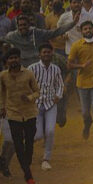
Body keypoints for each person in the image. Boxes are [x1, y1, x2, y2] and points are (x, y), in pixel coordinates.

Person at [0, 47, 40, 184]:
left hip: (30, 113)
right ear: (7, 62)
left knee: (29, 145)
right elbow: (2, 93)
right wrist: (2, 107)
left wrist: (29, 98)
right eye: (11, 58)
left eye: (16, 57)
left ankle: (25, 165)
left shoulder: (28, 74)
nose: (14, 60)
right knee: (18, 145)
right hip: (13, 114)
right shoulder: (3, 76)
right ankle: (29, 177)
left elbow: (37, 92)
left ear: (19, 59)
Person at [68, 20, 93, 147]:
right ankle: (87, 123)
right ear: (81, 31)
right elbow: (69, 65)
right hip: (82, 83)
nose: (88, 31)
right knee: (85, 112)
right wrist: (81, 65)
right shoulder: (76, 46)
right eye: (85, 29)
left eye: (90, 28)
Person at [28, 43, 63, 171]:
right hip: (35, 105)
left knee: (50, 131)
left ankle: (46, 159)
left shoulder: (56, 69)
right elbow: (26, 85)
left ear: (52, 53)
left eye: (48, 52)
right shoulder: (32, 68)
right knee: (37, 135)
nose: (46, 54)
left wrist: (58, 95)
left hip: (50, 104)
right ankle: (28, 146)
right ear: (40, 54)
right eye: (44, 52)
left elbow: (60, 84)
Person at [3, 12, 79, 67]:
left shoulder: (37, 32)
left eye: (24, 25)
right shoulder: (12, 35)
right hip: (23, 66)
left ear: (29, 25)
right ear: (17, 26)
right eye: (20, 25)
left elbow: (56, 32)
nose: (22, 27)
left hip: (38, 64)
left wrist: (73, 23)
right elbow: (3, 40)